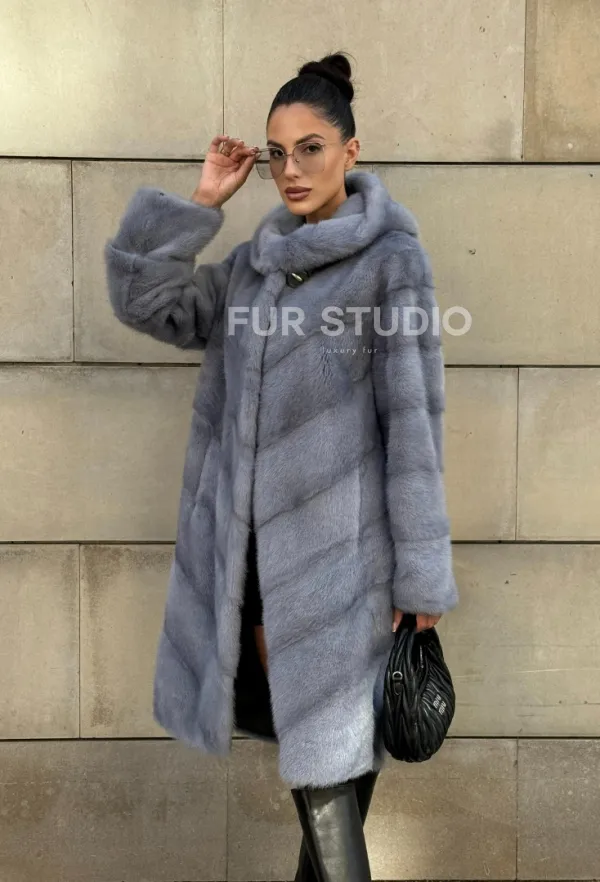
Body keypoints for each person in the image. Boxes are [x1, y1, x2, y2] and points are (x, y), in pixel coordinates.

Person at [104, 50, 458, 882]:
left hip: (350, 571)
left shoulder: (391, 264)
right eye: (276, 152)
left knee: (336, 784)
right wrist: (202, 203)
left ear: (351, 151)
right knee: (326, 779)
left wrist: (422, 582)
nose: (290, 168)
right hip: (262, 569)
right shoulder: (252, 268)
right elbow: (149, 304)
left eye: (310, 148)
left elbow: (414, 432)